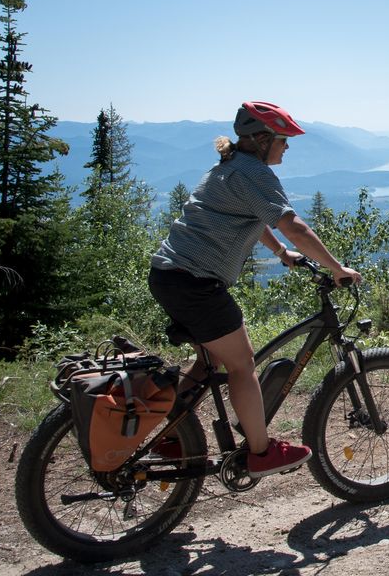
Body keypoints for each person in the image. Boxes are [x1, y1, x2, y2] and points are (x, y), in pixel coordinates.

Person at [148, 100, 361, 478]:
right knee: (242, 364)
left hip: (169, 275)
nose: (287, 147)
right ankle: (261, 453)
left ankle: (169, 433)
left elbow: (255, 218)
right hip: (196, 283)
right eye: (282, 139)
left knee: (209, 361)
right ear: (262, 139)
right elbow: (293, 224)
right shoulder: (255, 173)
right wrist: (336, 267)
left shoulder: (229, 167)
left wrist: (282, 253)